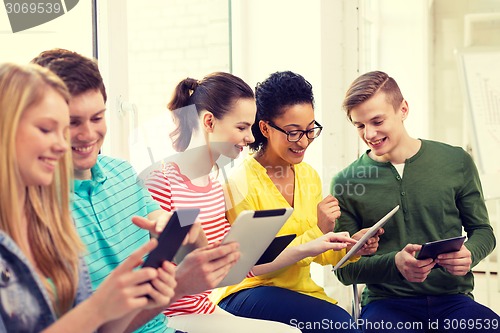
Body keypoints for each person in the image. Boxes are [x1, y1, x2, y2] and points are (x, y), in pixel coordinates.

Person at [32, 49, 241, 333]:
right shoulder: (33, 203)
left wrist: (185, 232)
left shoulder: (122, 172)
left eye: (97, 118)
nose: (88, 135)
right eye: (73, 122)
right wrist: (179, 285)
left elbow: (166, 224)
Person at [0, 62, 177, 332]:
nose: (62, 145)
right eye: (47, 129)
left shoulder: (53, 224)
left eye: (63, 130)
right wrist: (99, 308)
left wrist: (139, 301)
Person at [211, 71, 381, 333]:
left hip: (297, 291)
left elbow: (318, 253)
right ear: (265, 128)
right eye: (293, 133)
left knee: (347, 324)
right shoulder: (242, 183)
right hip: (248, 291)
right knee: (340, 325)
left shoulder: (307, 175)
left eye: (310, 130)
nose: (303, 141)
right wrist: (319, 230)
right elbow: (256, 264)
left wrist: (352, 247)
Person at [332, 70, 499, 332]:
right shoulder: (347, 182)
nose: (370, 133)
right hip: (386, 306)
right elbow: (344, 270)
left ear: (403, 109)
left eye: (377, 121)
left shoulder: (456, 161)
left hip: (454, 301)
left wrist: (470, 254)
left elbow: (483, 232)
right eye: (359, 125)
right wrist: (395, 265)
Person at [144, 72, 302, 332]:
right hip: (167, 316)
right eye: (241, 127)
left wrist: (247, 255)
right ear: (209, 121)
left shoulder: (214, 185)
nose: (251, 138)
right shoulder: (162, 182)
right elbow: (151, 268)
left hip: (204, 309)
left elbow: (228, 270)